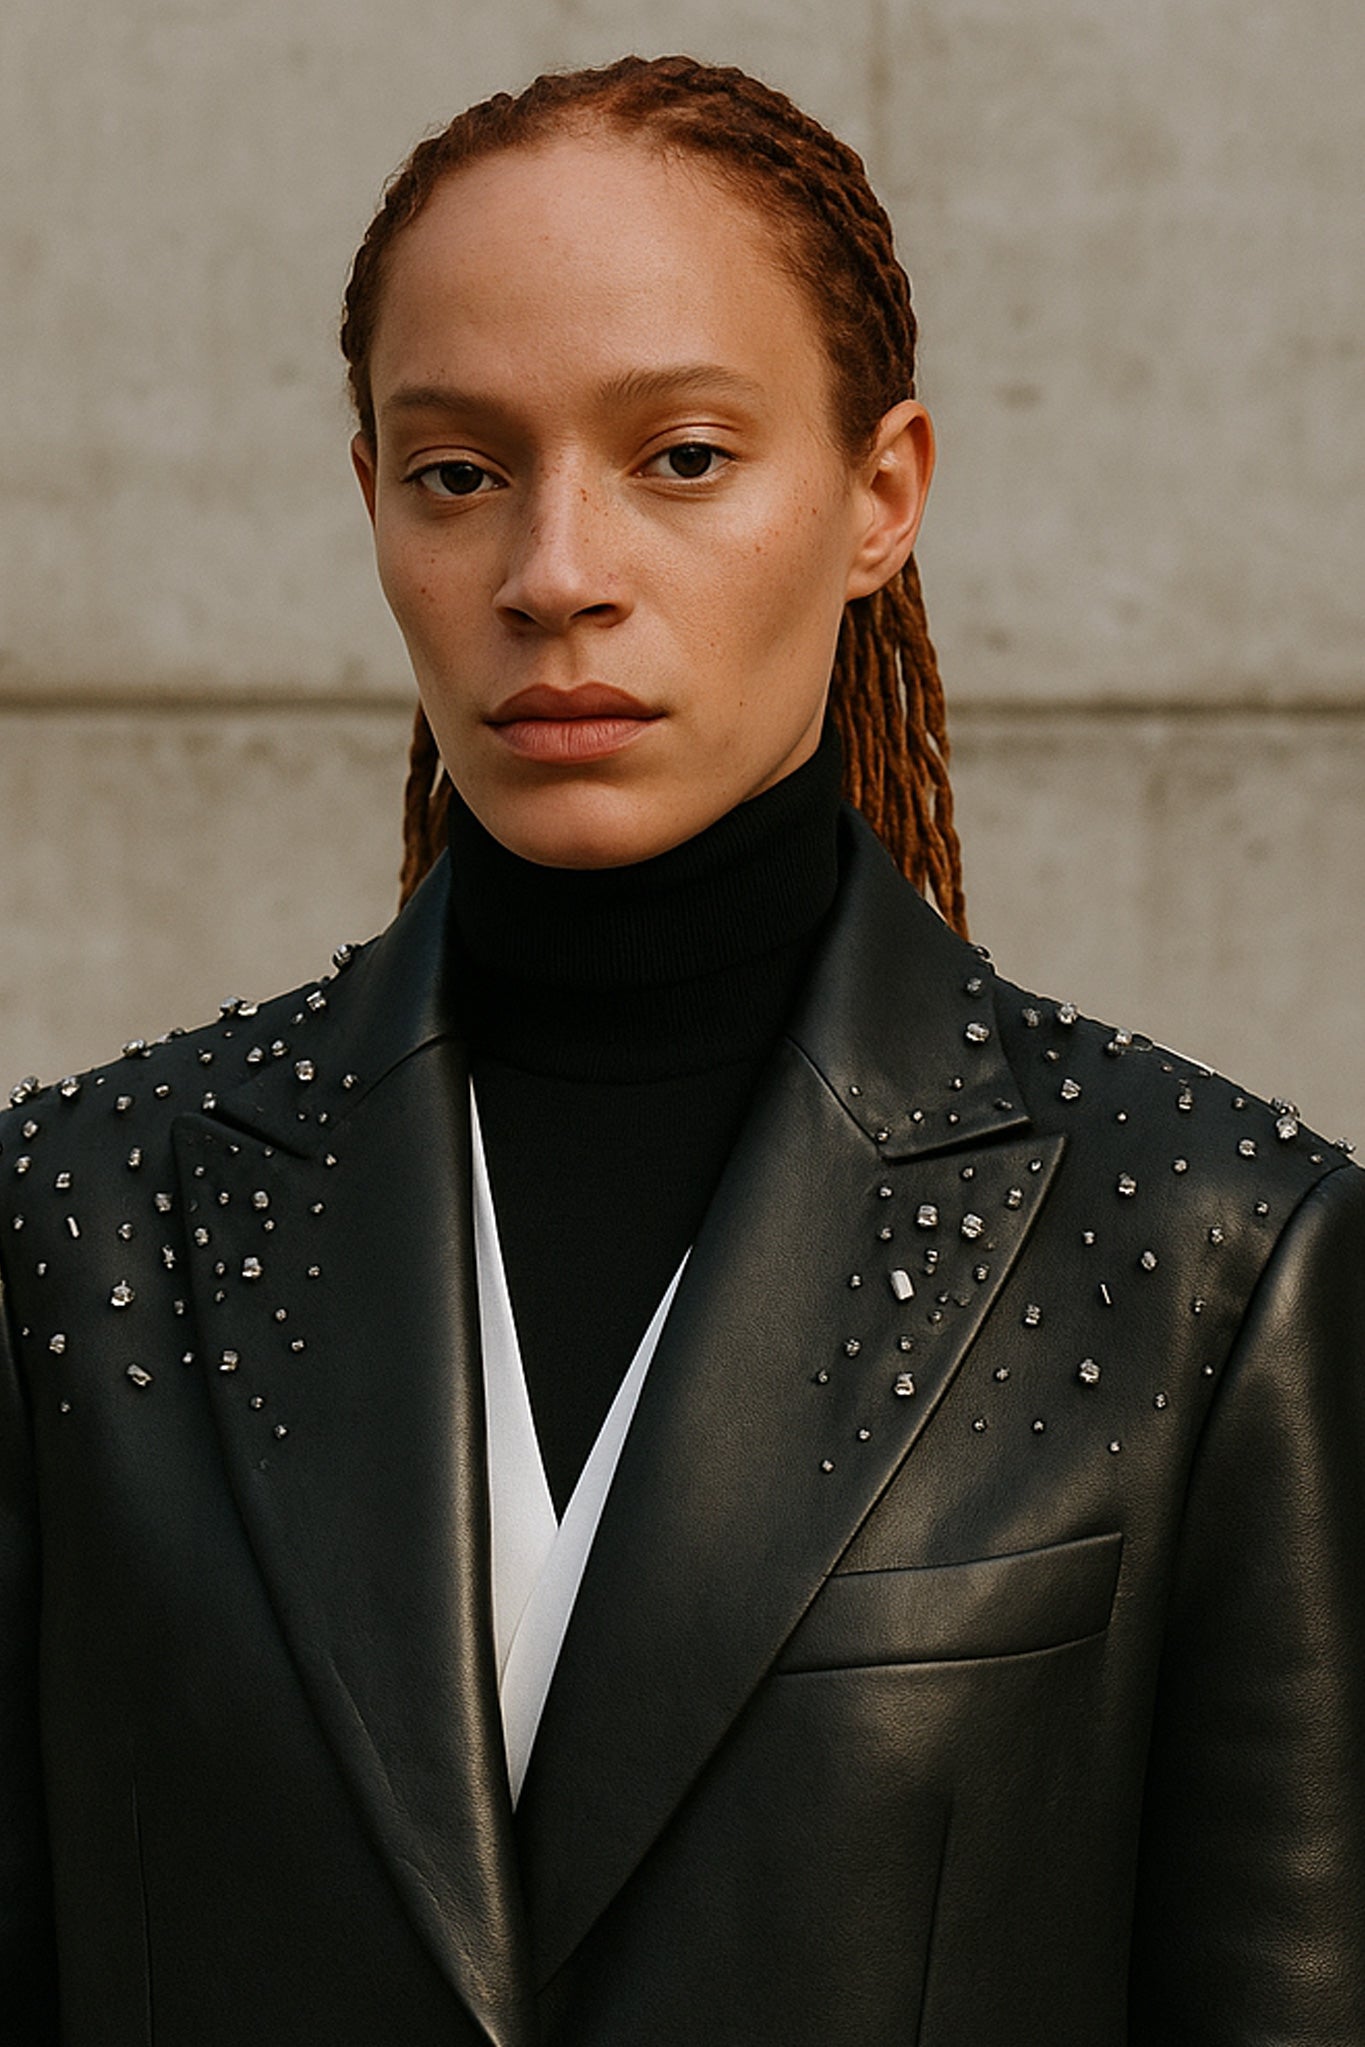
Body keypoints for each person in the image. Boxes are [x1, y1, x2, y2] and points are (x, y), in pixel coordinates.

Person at [2, 52, 1362, 2047]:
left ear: (878, 492)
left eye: (681, 457)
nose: (554, 572)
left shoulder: (1210, 1260)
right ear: (369, 496)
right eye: (458, 470)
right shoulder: (77, 1228)